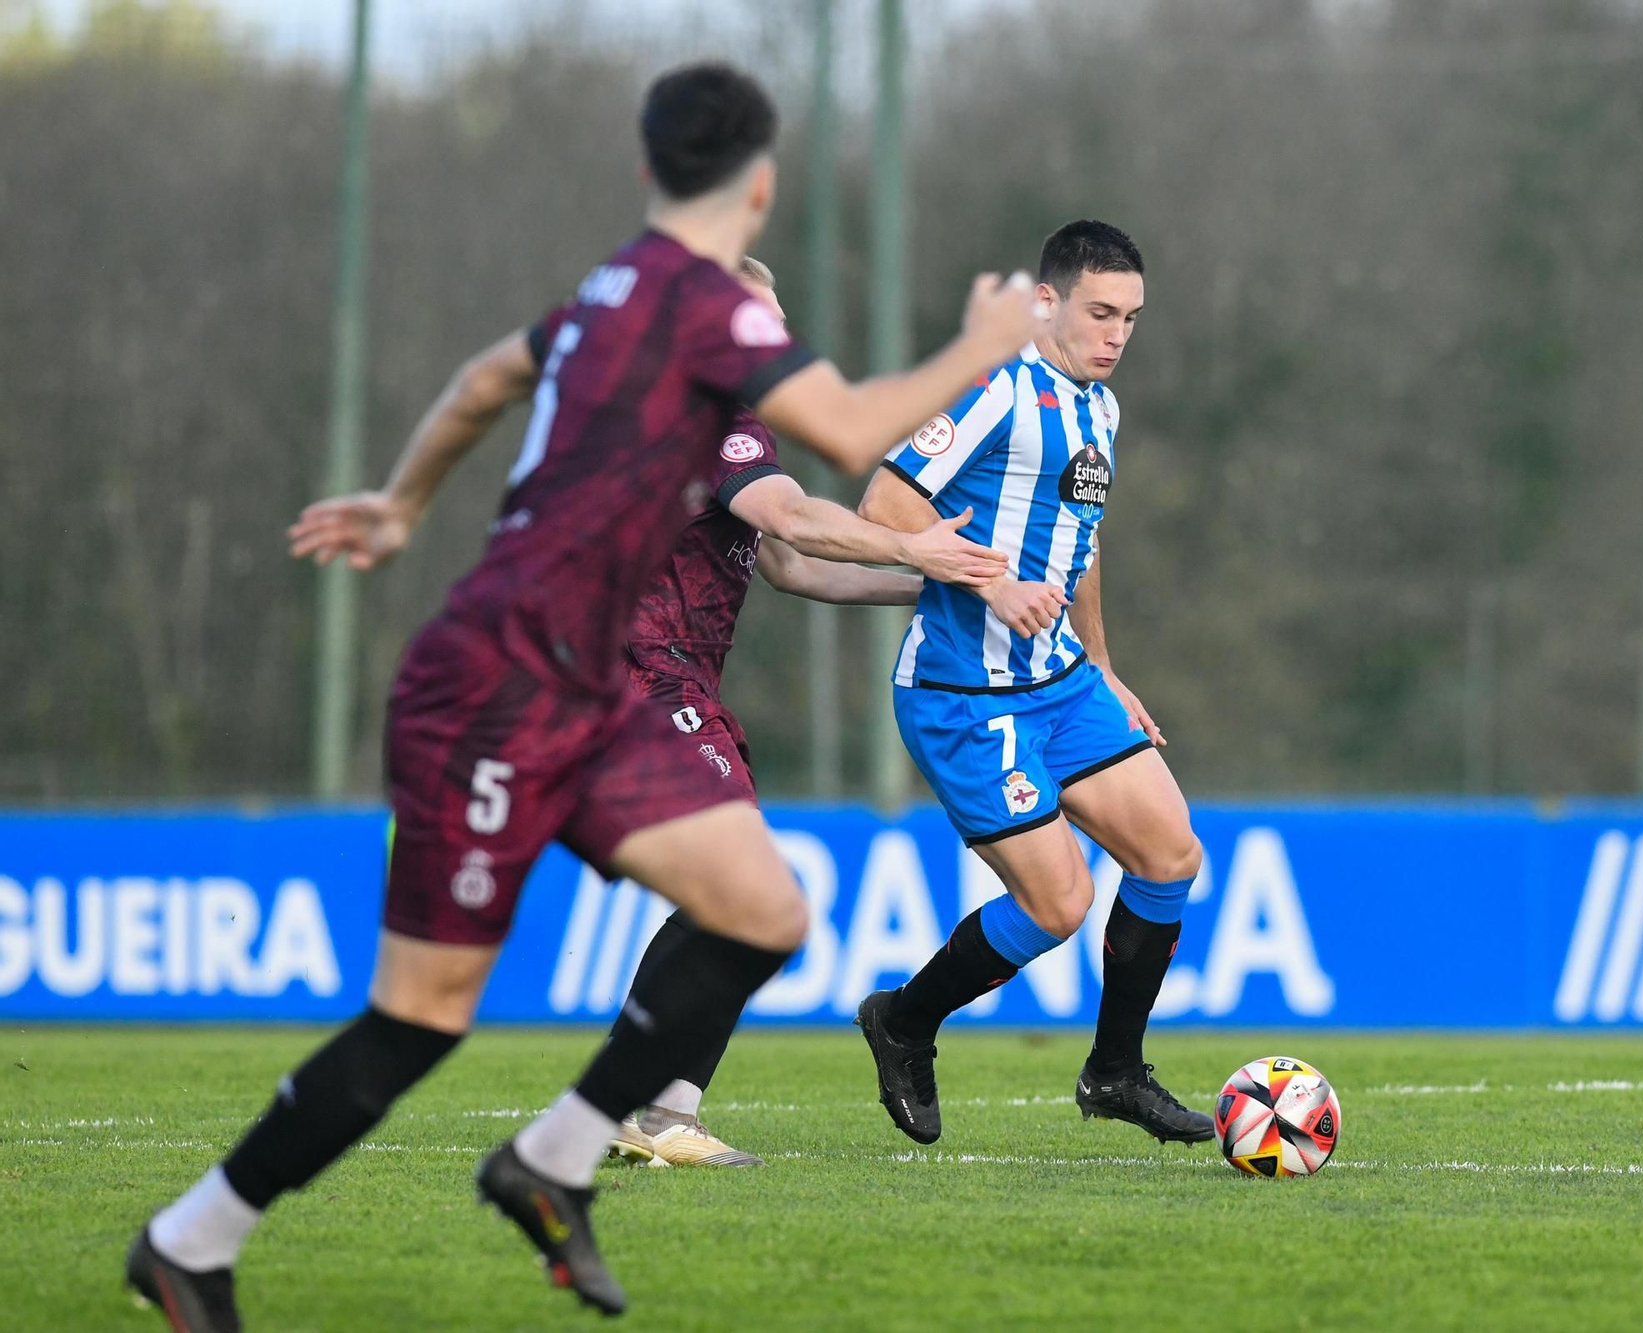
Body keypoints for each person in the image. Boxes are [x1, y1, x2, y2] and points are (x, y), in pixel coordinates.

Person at [126, 61, 1038, 1331]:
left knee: (758, 909)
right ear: (759, 188)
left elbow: (480, 385)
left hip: (534, 677)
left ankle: (526, 1165)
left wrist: (401, 501)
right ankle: (213, 1234)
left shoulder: (605, 295)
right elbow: (841, 445)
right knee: (425, 1018)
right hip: (521, 686)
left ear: (645, 172)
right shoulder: (711, 311)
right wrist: (980, 360)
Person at [599, 256, 1007, 1168]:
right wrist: (918, 545)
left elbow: (791, 565)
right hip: (640, 679)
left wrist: (927, 585)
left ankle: (654, 1107)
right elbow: (789, 519)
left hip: (659, 682)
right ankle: (639, 1103)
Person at [851, 220, 1214, 1149]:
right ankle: (904, 1019)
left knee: (1171, 852)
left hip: (1060, 681)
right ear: (1046, 302)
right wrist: (992, 580)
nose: (1117, 333)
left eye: (1131, 317)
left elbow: (1079, 545)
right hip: (964, 691)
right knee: (1058, 904)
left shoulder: (1100, 410)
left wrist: (1101, 665)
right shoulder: (993, 389)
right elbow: (885, 505)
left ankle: (1116, 1072)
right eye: (1100, 311)